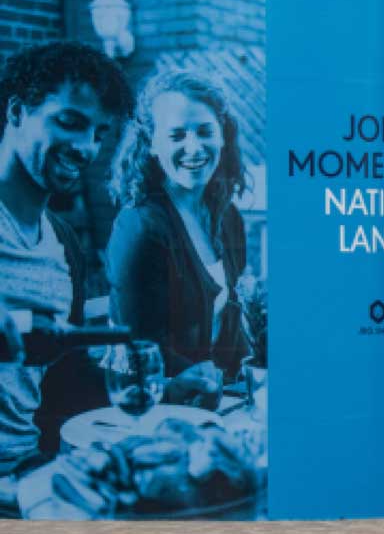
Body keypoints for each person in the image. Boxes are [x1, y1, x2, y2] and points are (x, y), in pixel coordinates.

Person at [0, 41, 133, 478]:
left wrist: (160, 391)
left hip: (27, 476)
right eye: (71, 122)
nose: (86, 148)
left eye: (100, 133)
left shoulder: (62, 242)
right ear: (17, 114)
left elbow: (63, 382)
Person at [107, 71, 249, 411]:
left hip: (221, 402)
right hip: (159, 408)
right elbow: (137, 347)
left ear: (223, 137)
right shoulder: (139, 226)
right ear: (153, 144)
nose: (194, 147)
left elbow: (233, 323)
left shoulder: (228, 218)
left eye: (204, 131)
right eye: (176, 135)